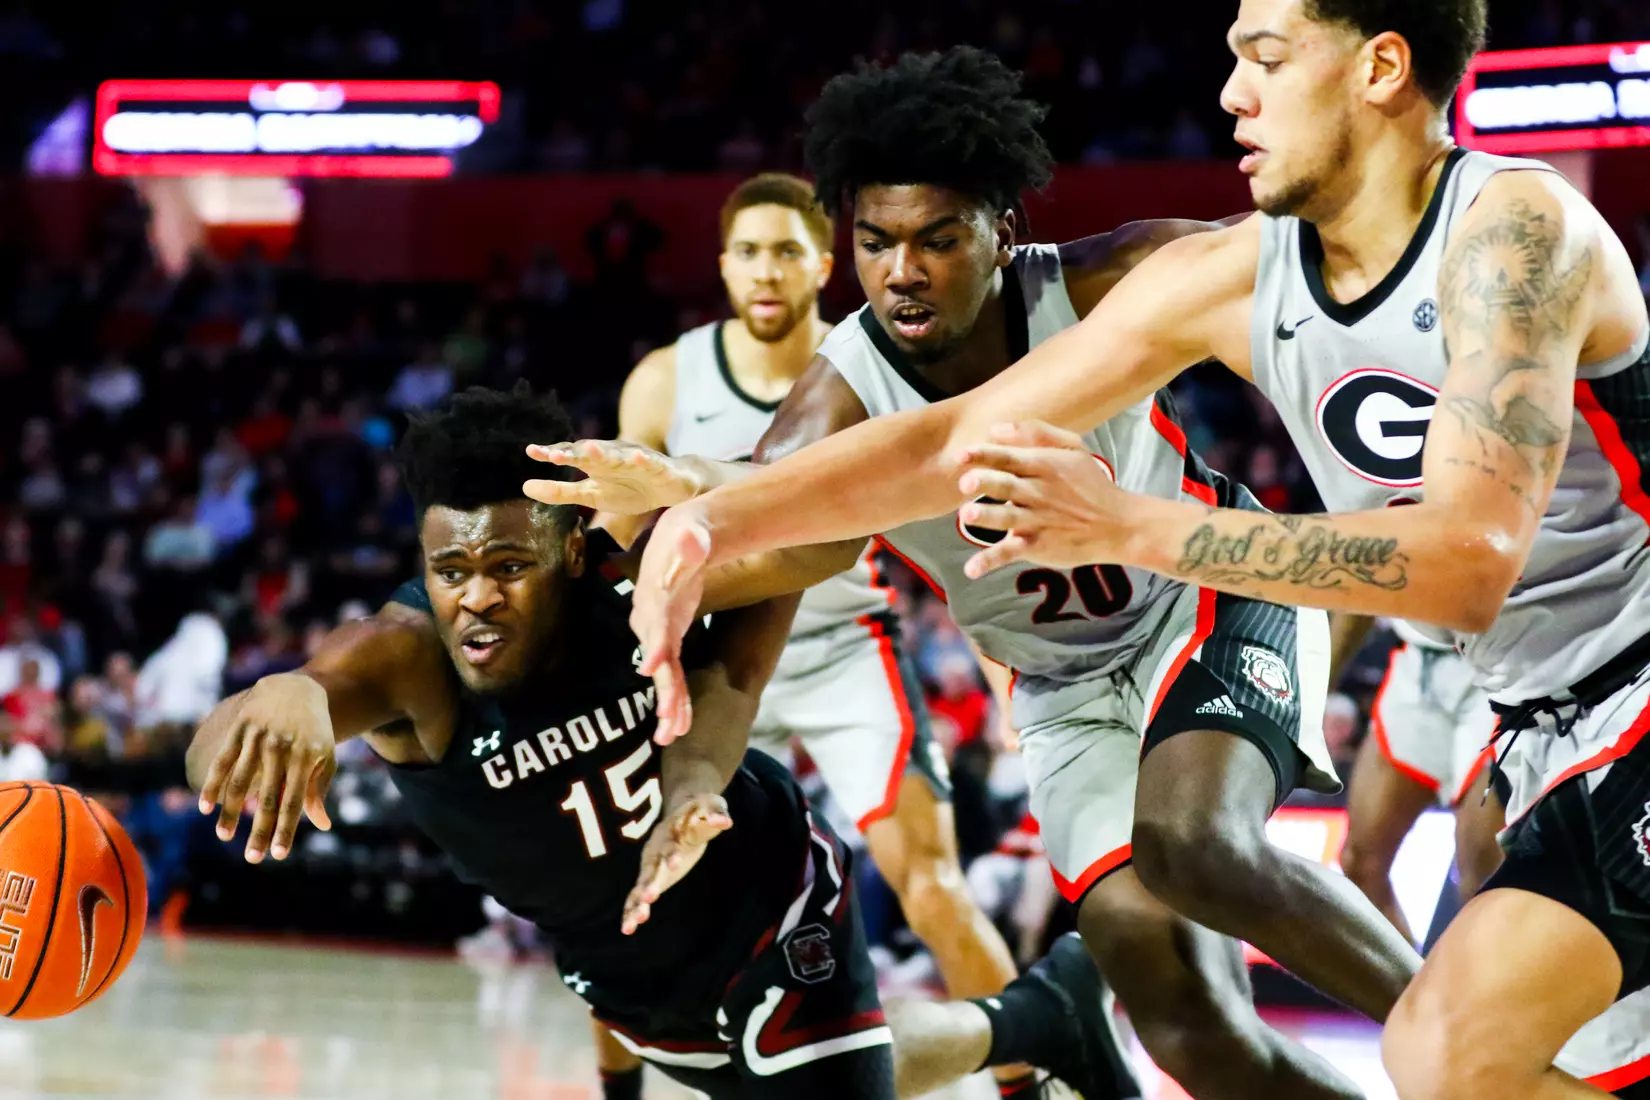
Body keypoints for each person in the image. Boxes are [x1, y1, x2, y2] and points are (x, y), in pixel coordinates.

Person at [615, 5, 1650, 1097]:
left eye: (1266, 57)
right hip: (1518, 724)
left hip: (1574, 680)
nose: (1231, 94)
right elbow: (948, 440)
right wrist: (711, 510)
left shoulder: (1513, 229)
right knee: (1354, 1041)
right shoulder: (1241, 272)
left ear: (1382, 67)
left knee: (1402, 1013)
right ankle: (1068, 1020)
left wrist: (1125, 524)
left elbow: (1465, 560)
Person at [531, 48, 1419, 1100]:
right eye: (876, 242)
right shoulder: (837, 403)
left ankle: (1482, 1047)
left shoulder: (1102, 280)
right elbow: (763, 609)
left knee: (1193, 841)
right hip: (1063, 693)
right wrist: (684, 762)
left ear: (1002, 231)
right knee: (1189, 1026)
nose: (903, 270)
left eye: (937, 239)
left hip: (1207, 594)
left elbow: (1294, 263)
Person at [186, 386, 1134, 1100]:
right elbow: (239, 732)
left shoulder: (630, 572)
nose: (477, 596)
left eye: (509, 565)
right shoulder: (402, 659)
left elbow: (828, 545)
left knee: (816, 1073)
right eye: (451, 569)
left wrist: (706, 507)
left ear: (567, 551)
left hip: (762, 887)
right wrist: (284, 696)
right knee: (817, 1068)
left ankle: (1036, 1020)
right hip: (627, 964)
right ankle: (1037, 1016)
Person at [608, 171, 1031, 1098]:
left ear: (823, 264)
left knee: (931, 884)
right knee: (615, 900)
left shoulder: (868, 363)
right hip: (711, 659)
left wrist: (1006, 670)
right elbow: (620, 542)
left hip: (848, 649)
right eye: (749, 252)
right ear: (723, 266)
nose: (767, 272)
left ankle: (1033, 1076)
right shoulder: (664, 379)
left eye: (787, 252)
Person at [1329, 615, 1503, 946]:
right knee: (1360, 864)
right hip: (1417, 660)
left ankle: (1487, 995)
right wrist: (1320, 683)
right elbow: (1368, 574)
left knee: (1484, 874)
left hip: (1506, 666)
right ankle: (1418, 992)